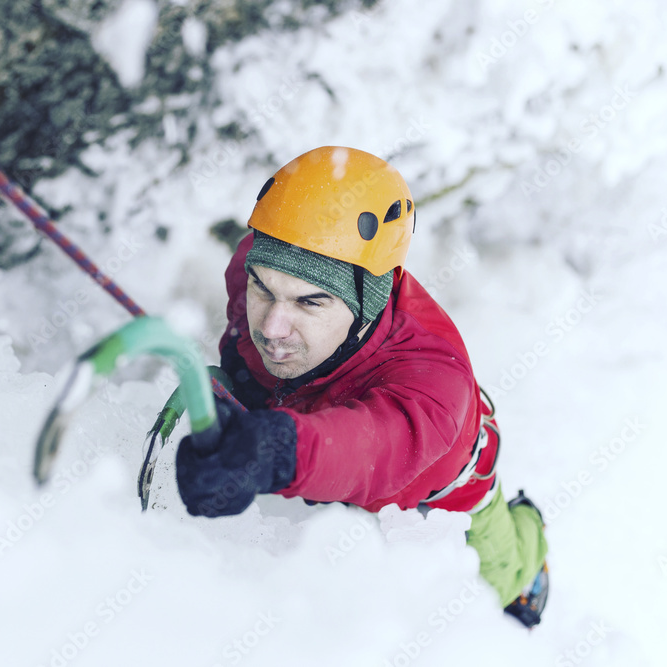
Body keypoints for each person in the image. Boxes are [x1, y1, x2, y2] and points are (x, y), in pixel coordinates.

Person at [175, 146, 549, 627]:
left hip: (448, 491)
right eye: (262, 289)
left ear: (365, 306)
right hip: (322, 430)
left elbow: (369, 448)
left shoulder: (435, 381)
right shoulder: (251, 268)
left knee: (496, 574)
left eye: (311, 302)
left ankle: (530, 548)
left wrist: (273, 452)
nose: (271, 326)